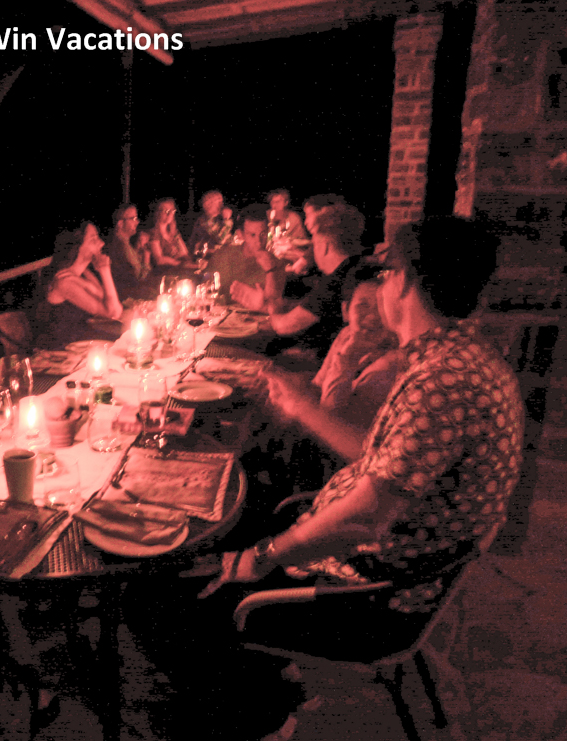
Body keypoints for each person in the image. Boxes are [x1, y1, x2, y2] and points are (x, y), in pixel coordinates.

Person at [202, 215, 524, 639]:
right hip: (374, 561)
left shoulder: (443, 383)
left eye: (387, 274)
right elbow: (387, 463)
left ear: (404, 281)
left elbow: (365, 519)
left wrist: (262, 556)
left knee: (171, 603)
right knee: (232, 513)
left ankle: (258, 675)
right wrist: (301, 406)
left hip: (366, 594)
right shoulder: (458, 357)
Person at [235, 202, 367, 358]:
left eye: (314, 243)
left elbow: (282, 326)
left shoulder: (335, 283)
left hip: (314, 360)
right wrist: (265, 305)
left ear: (324, 246)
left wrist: (268, 303)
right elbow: (305, 307)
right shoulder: (353, 270)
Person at [310, 268, 402, 430]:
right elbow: (317, 385)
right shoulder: (347, 335)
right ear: (345, 310)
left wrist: (348, 358)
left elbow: (331, 417)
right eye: (363, 305)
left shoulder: (390, 365)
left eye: (382, 306)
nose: (373, 316)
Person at [37, 222, 124, 350]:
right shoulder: (64, 282)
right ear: (76, 247)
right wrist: (105, 270)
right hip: (63, 350)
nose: (101, 243)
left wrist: (87, 284)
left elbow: (115, 309)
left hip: (81, 344)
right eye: (93, 239)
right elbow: (112, 313)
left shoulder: (85, 274)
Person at [216, 203, 286, 308]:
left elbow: (275, 306)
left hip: (259, 317)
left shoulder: (276, 265)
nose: (259, 241)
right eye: (252, 235)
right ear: (240, 234)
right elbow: (207, 291)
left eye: (262, 234)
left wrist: (270, 271)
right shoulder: (225, 256)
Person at [102, 204, 154, 300]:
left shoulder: (122, 243)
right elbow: (141, 279)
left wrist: (138, 248)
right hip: (130, 298)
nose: (137, 222)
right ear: (120, 223)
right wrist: (147, 256)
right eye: (133, 218)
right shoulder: (122, 246)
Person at [147, 198, 192, 268]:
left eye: (172, 211)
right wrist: (179, 263)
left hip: (180, 268)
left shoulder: (174, 232)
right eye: (166, 211)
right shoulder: (153, 233)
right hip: (165, 271)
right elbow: (159, 260)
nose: (170, 214)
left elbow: (184, 252)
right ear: (157, 213)